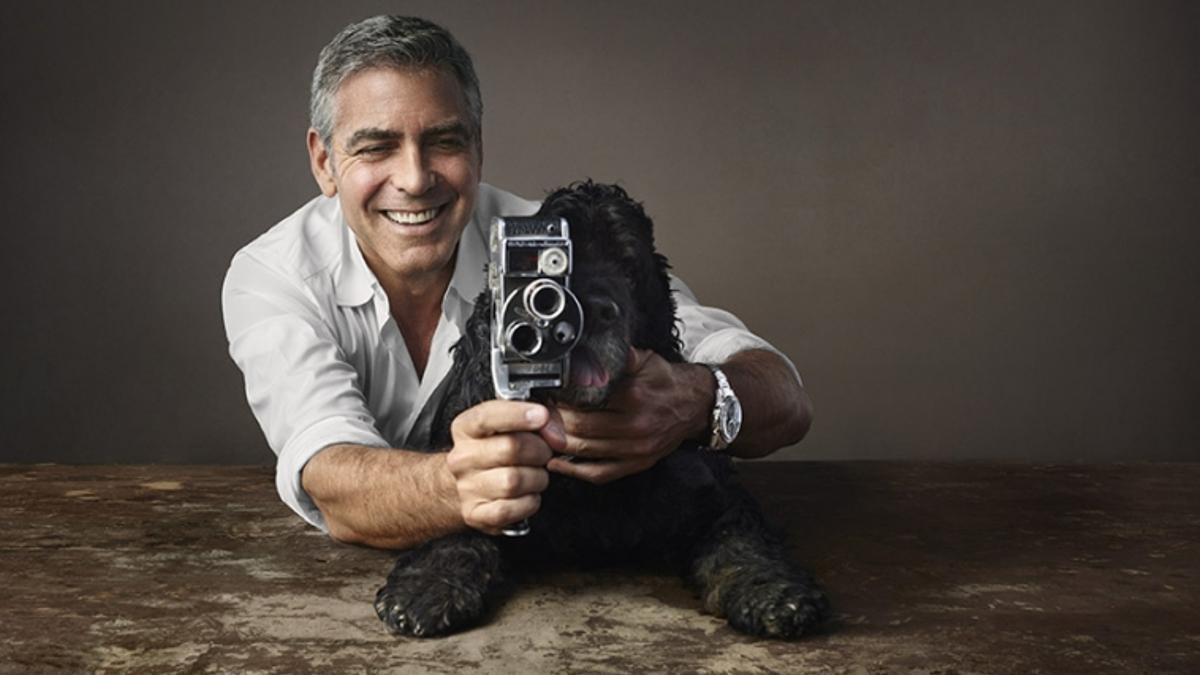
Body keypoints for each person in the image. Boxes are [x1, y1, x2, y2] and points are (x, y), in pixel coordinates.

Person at [221, 15, 812, 551]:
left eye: (444, 142)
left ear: (478, 148)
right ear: (324, 162)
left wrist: (695, 400)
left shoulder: (556, 242)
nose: (414, 178)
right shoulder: (273, 275)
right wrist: (460, 487)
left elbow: (784, 397)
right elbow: (329, 480)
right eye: (377, 147)